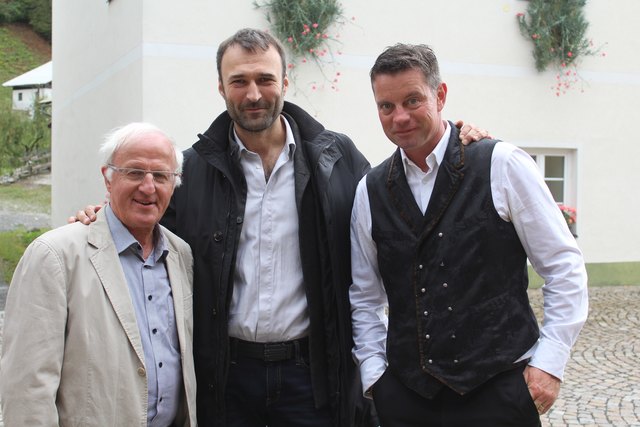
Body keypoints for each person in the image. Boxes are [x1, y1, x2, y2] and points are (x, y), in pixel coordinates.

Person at [72, 29, 487, 426]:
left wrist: (454, 141)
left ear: (285, 82)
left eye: (265, 79)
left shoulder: (336, 158)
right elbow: (145, 226)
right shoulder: (193, 171)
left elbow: (400, 205)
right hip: (225, 378)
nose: (253, 94)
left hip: (313, 379)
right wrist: (102, 216)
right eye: (239, 81)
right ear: (221, 88)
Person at [349, 43, 589, 427]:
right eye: (386, 106)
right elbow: (364, 296)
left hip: (498, 391)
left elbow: (564, 266)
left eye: (412, 100)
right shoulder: (370, 190)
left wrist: (549, 363)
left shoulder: (502, 164)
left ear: (440, 95)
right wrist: (376, 377)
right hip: (408, 398)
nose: (400, 117)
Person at [0, 123, 197, 426]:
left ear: (175, 183)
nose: (148, 187)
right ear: (108, 178)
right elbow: (28, 391)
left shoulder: (180, 254)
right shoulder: (54, 256)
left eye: (160, 176)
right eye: (134, 172)